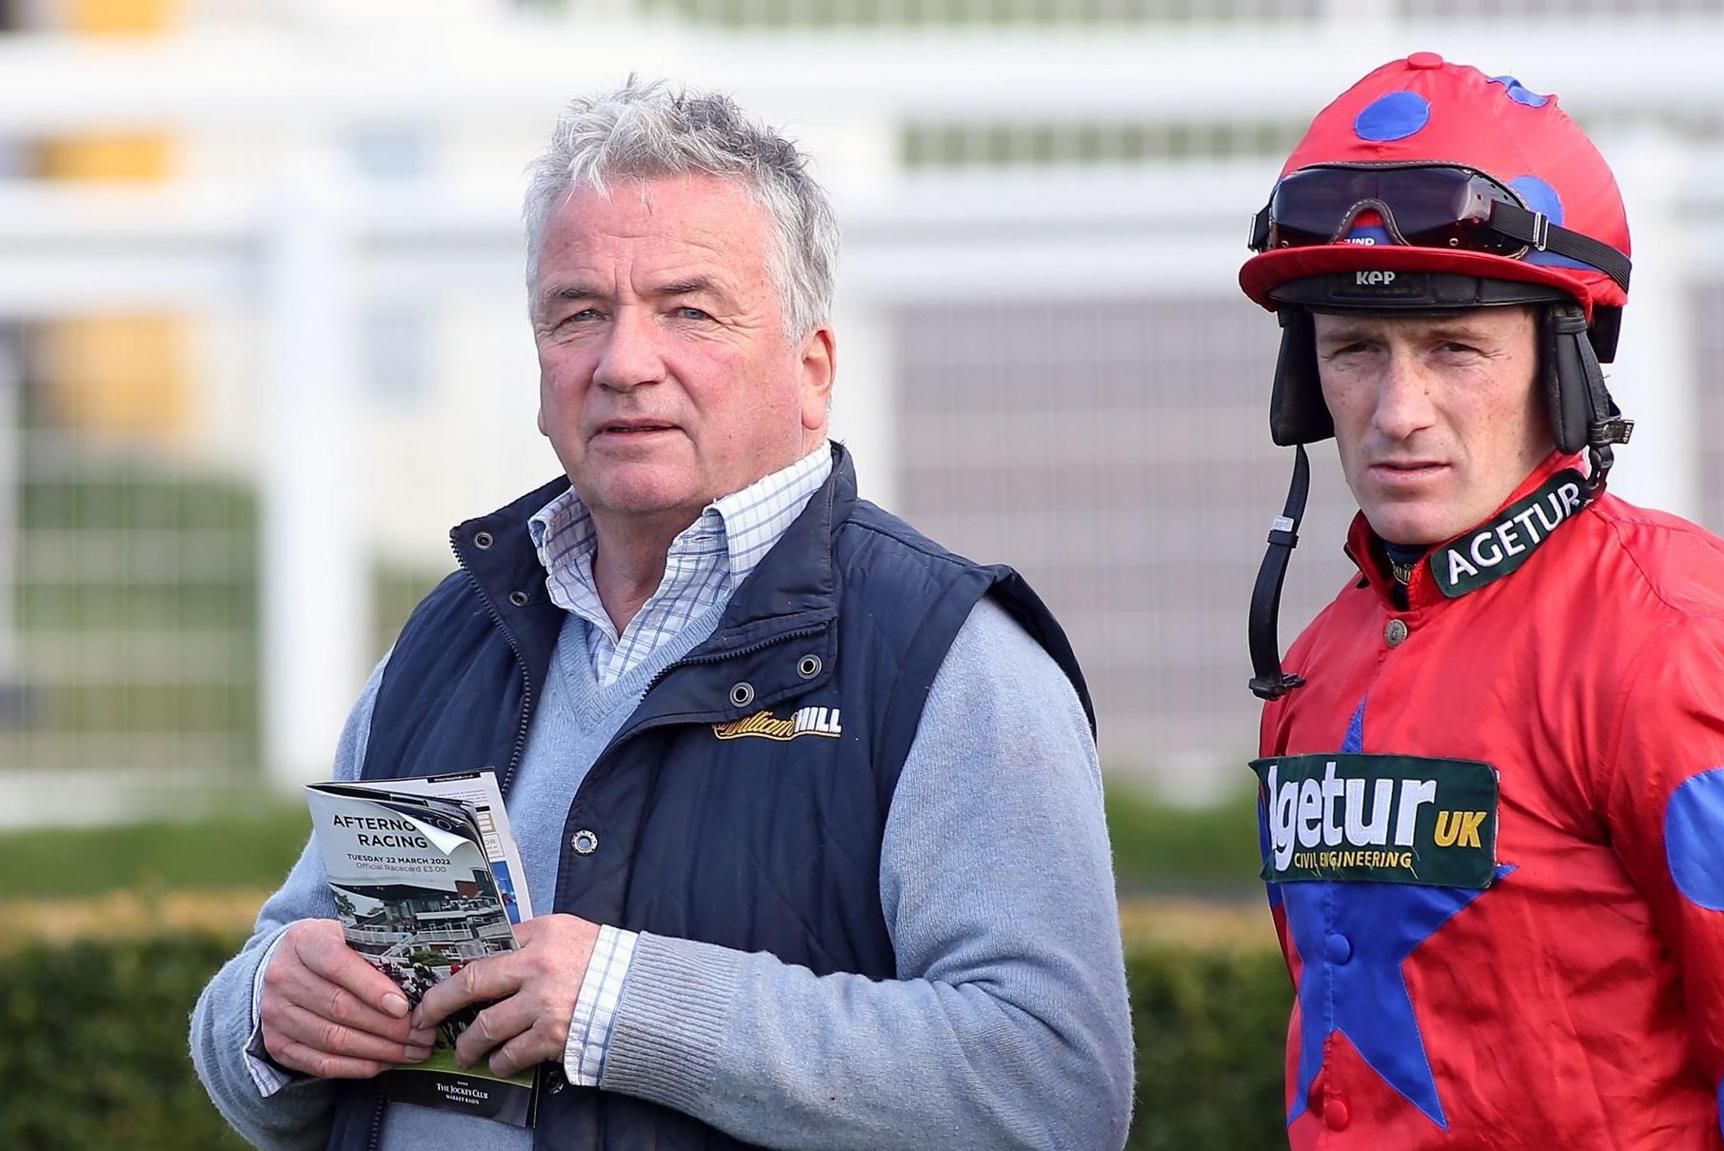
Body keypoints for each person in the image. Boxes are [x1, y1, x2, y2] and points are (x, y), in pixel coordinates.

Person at [190, 78, 1133, 1151]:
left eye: (688, 309)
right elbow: (267, 994)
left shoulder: (950, 659)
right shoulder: (451, 632)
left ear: (812, 368)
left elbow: (1052, 1085)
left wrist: (623, 1004)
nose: (623, 362)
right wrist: (266, 1009)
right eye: (578, 312)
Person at [1239, 54, 1724, 1148]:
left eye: (1452, 348)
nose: (1397, 410)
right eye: (1354, 349)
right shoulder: (1318, 657)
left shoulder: (1674, 642)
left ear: (1564, 365)